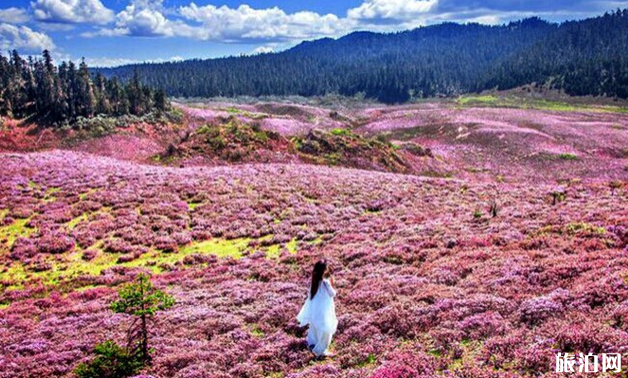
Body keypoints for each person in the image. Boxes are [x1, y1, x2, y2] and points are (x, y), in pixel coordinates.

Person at [297, 259, 338, 357]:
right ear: (324, 271)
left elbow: (310, 297)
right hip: (324, 312)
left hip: (315, 312)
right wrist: (330, 283)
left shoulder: (314, 283)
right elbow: (333, 294)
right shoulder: (325, 283)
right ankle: (321, 351)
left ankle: (313, 345)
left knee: (315, 329)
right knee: (325, 331)